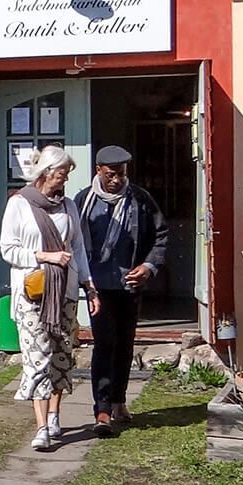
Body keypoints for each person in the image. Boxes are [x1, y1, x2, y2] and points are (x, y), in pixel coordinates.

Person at [0, 145, 97, 452]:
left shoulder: (68, 205)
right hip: (33, 293)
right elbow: (7, 249)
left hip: (64, 292)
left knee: (61, 355)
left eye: (67, 174)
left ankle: (55, 416)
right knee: (37, 358)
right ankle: (41, 427)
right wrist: (43, 256)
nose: (65, 179)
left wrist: (89, 285)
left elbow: (78, 248)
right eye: (61, 173)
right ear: (45, 173)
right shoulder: (19, 204)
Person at [74, 144, 170, 434]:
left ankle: (118, 400)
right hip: (98, 286)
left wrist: (149, 266)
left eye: (122, 174)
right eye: (111, 174)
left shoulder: (140, 200)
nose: (116, 180)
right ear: (98, 171)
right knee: (105, 344)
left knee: (125, 344)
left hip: (129, 285)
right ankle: (101, 410)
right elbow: (72, 240)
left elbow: (161, 235)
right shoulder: (83, 201)